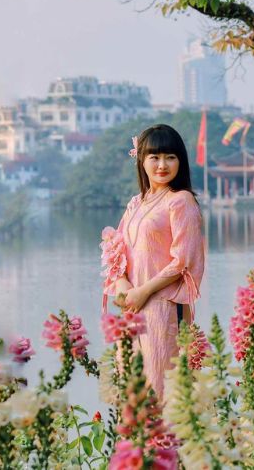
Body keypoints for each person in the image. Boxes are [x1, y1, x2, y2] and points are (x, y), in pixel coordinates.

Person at [103, 124, 205, 399]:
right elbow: (116, 249)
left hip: (162, 307)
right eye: (154, 157)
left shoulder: (180, 201)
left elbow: (183, 260)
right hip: (132, 307)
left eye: (170, 157)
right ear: (141, 160)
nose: (162, 165)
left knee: (159, 389)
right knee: (132, 389)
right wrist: (123, 284)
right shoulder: (137, 203)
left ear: (180, 161)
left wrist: (143, 291)